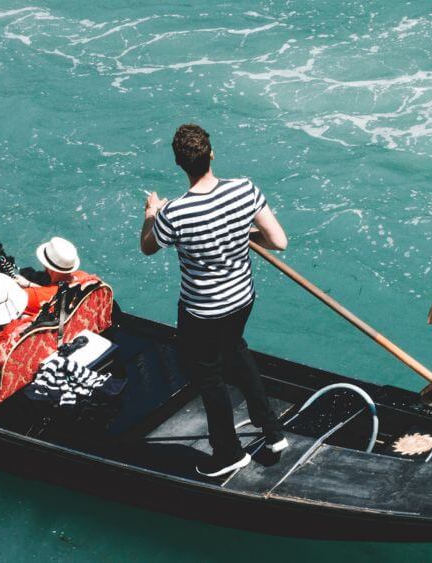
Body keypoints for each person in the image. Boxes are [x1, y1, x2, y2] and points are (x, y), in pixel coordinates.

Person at [139, 123, 290, 477]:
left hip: (202, 312)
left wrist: (150, 214)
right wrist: (237, 233)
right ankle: (272, 431)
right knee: (236, 350)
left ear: (179, 164)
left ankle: (228, 453)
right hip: (242, 299)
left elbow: (148, 247)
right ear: (212, 154)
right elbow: (277, 241)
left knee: (209, 379)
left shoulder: (173, 213)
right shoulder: (244, 190)